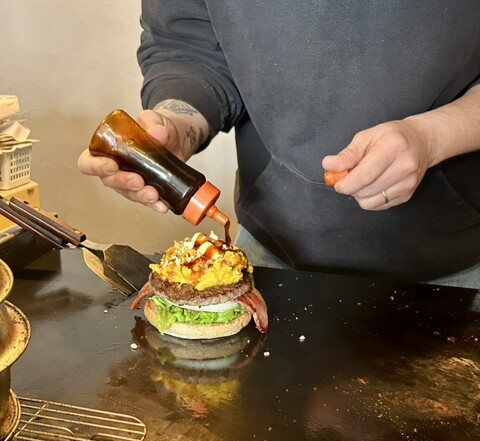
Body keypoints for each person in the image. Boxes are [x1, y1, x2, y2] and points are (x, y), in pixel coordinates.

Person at [78, 1, 480, 288]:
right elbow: (189, 44)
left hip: (456, 266)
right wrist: (175, 125)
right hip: (271, 250)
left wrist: (433, 137)